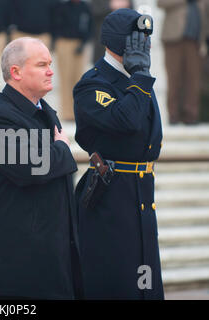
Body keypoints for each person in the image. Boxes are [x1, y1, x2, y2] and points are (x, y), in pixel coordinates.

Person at [0, 37, 82, 299]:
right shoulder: (0, 117)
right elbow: (32, 167)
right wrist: (62, 149)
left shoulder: (45, 111)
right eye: (42, 64)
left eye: (50, 63)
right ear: (16, 72)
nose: (51, 71)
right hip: (18, 260)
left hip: (51, 254)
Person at [73, 9, 164, 299]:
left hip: (140, 194)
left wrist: (139, 77)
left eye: (147, 39)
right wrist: (140, 77)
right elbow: (127, 121)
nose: (145, 46)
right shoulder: (93, 84)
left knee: (145, 282)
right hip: (111, 197)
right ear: (118, 42)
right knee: (119, 282)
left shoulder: (136, 79)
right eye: (139, 39)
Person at [158, 0, 208, 124]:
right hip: (173, 39)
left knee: (194, 79)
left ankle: (191, 116)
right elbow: (161, 3)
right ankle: (173, 116)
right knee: (174, 77)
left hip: (196, 40)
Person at [51, 0, 93, 121]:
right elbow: (55, 25)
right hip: (64, 43)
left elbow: (90, 27)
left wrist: (83, 43)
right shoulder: (62, 6)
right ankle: (67, 113)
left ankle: (78, 112)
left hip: (80, 44)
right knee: (65, 79)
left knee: (79, 79)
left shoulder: (85, 7)